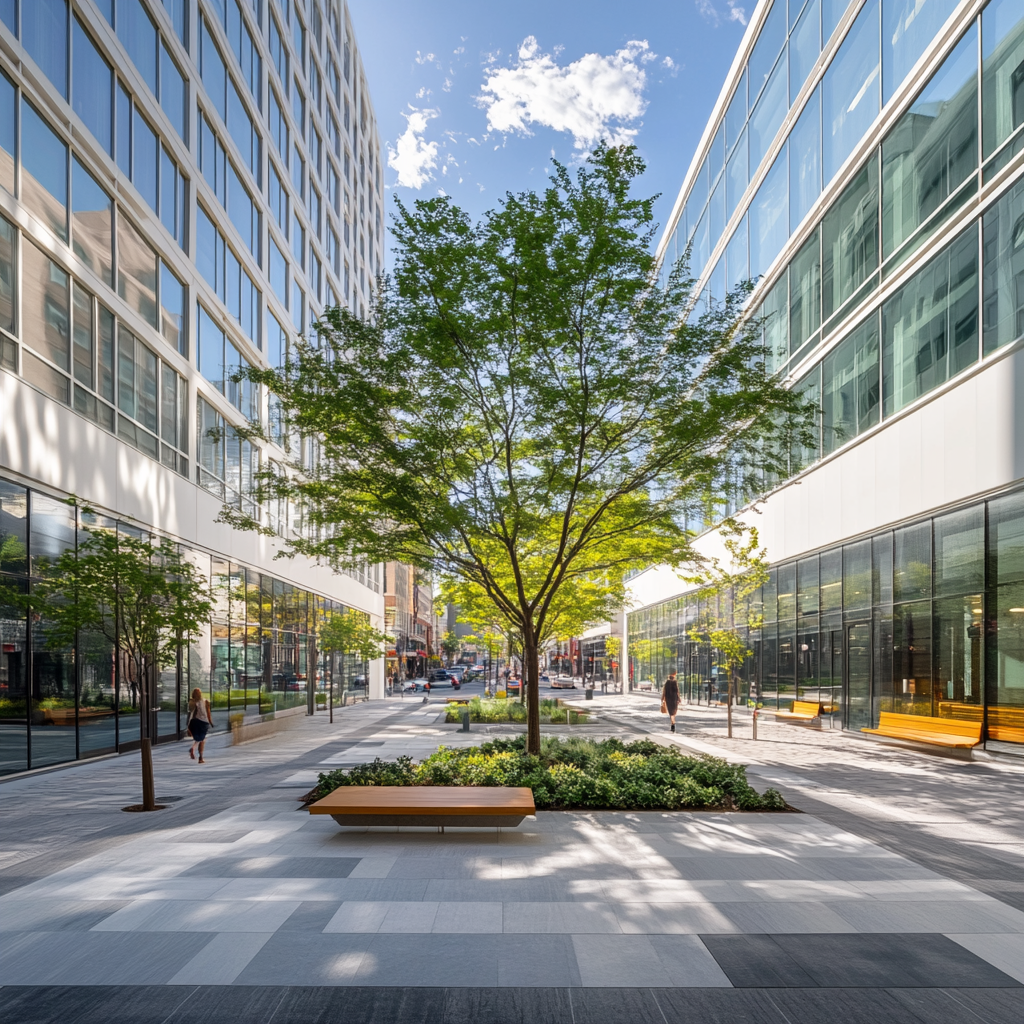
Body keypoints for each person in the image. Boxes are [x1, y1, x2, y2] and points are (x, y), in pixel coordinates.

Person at [187, 688, 213, 763]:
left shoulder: (192, 702)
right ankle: (200, 758)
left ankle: (193, 748)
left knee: (198, 739)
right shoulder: (205, 702)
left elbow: (191, 714)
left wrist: (188, 726)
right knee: (202, 740)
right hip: (203, 722)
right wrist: (211, 723)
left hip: (194, 722)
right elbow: (208, 714)